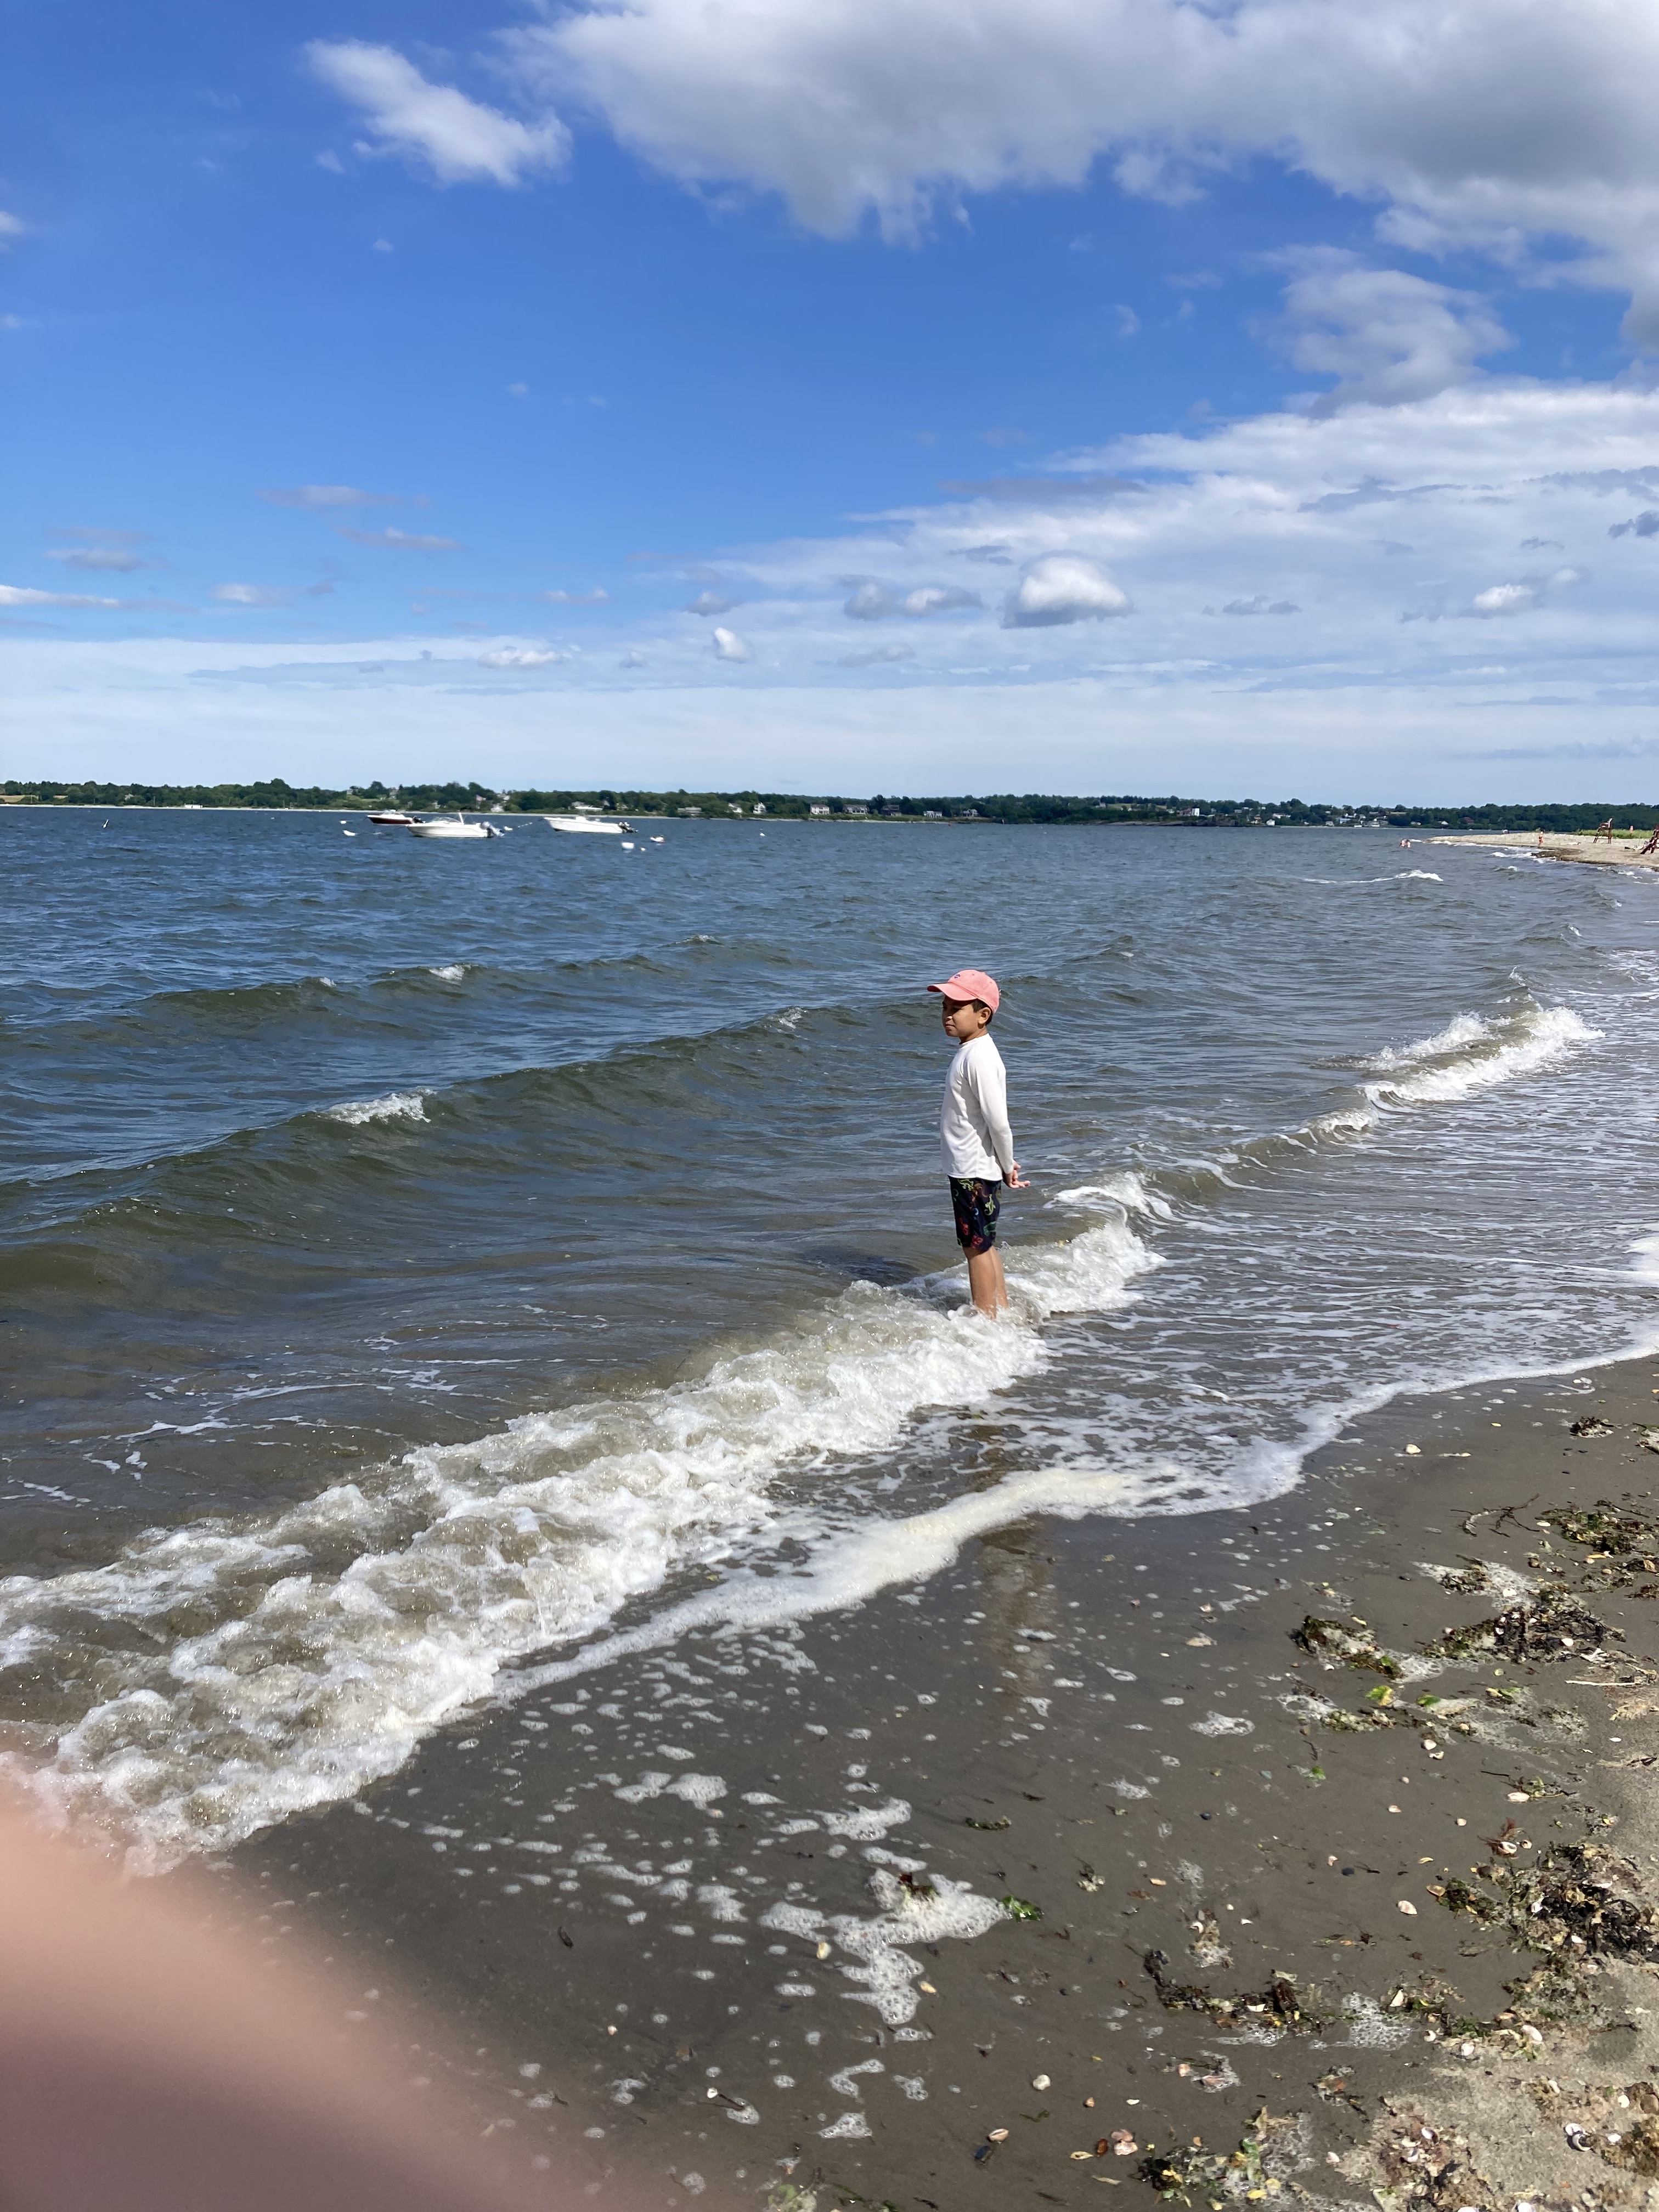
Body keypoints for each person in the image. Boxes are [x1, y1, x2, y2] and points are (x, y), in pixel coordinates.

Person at [927, 967, 1025, 1315]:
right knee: (985, 1243)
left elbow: (998, 1122)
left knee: (975, 1247)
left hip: (972, 1168)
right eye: (945, 1007)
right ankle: (1001, 1312)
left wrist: (1007, 1164)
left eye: (957, 1008)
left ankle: (986, 1320)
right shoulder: (974, 1051)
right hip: (977, 1165)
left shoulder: (978, 1057)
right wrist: (1003, 1162)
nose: (947, 1015)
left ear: (983, 1015)